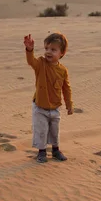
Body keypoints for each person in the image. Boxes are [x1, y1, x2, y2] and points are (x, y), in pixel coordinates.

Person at [23, 32, 74, 163]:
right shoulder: (41, 63)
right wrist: (29, 49)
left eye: (53, 49)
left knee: (54, 130)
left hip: (55, 107)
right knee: (41, 130)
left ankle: (56, 150)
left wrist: (69, 104)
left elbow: (66, 89)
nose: (48, 52)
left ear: (61, 53)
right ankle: (41, 152)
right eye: (46, 48)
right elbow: (31, 61)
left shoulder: (63, 70)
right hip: (40, 106)